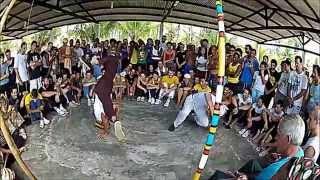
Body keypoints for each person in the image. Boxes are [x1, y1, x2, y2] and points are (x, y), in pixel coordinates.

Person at [210, 114, 305, 180]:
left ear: (288, 139)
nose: (275, 137)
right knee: (253, 163)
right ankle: (237, 174)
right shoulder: (299, 152)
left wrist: (245, 177)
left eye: (279, 135)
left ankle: (235, 176)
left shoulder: (277, 170)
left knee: (218, 177)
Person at [93, 41, 125, 141]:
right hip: (107, 84)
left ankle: (112, 121)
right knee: (107, 105)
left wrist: (96, 59)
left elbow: (97, 63)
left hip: (102, 86)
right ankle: (114, 119)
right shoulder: (116, 59)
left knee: (104, 113)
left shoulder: (109, 58)